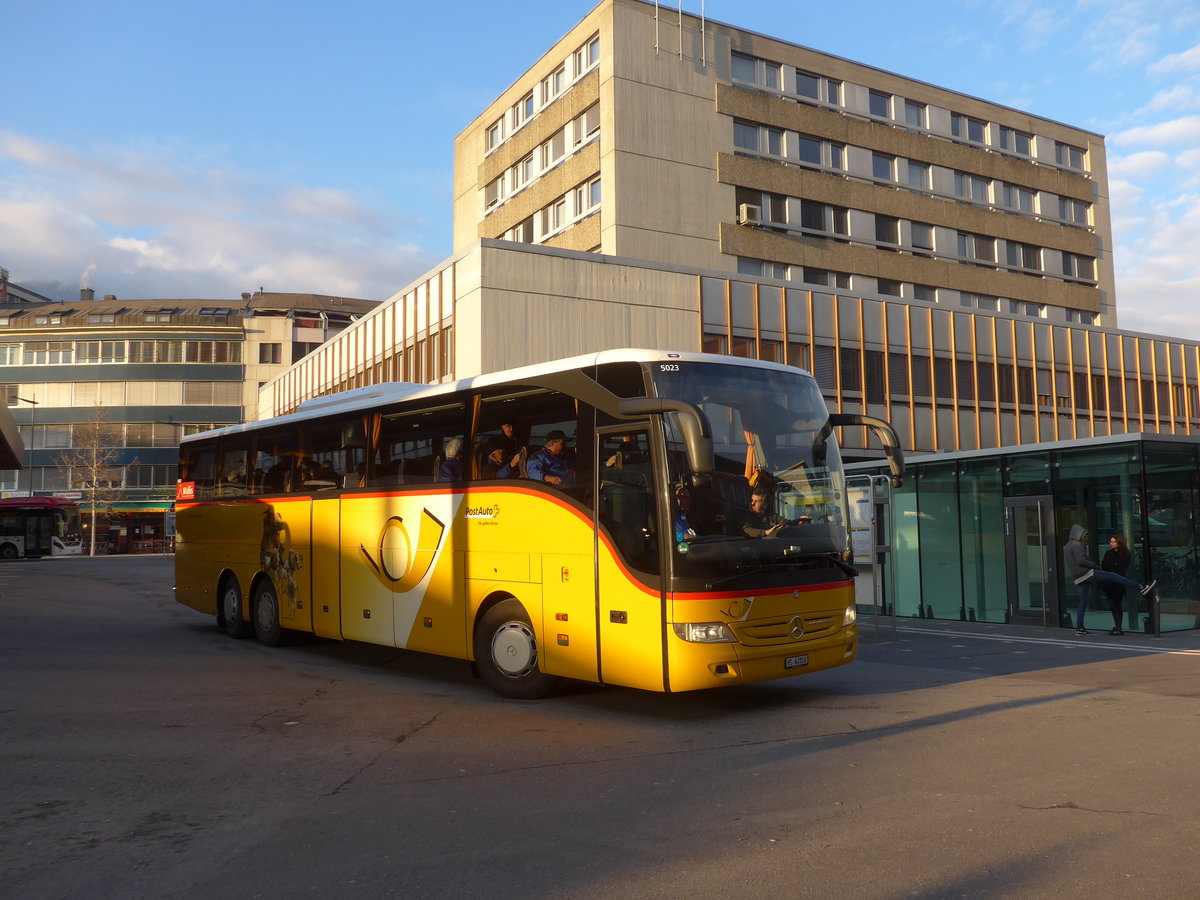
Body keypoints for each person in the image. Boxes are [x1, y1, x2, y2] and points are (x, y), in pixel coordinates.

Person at [1063, 524, 1155, 635]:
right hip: (1086, 573)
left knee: (1083, 602)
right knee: (1113, 576)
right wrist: (1094, 565)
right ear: (1078, 534)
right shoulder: (1077, 545)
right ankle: (1141, 587)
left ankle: (1080, 628)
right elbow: (1080, 560)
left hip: (1077, 577)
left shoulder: (1068, 546)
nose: (1085, 538)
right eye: (1084, 535)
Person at [1100, 534, 1132, 635]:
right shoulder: (1108, 553)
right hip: (1108, 583)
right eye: (1111, 541)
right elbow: (1104, 566)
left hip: (1118, 583)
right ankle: (1118, 626)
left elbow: (1122, 570)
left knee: (1117, 605)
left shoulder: (1125, 555)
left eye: (1114, 542)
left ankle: (1118, 626)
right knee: (1113, 605)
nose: (1111, 543)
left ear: (1119, 543)